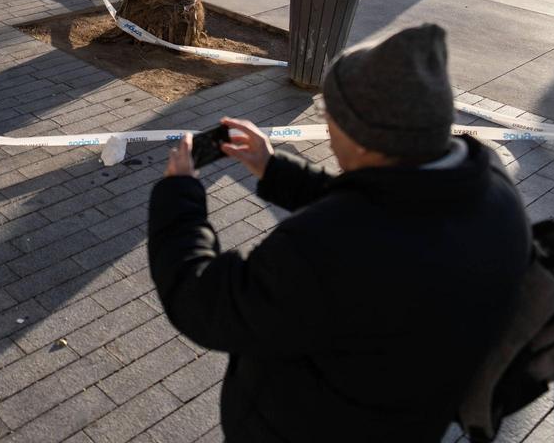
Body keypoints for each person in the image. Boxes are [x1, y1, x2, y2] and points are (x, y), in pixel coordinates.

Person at [148, 24, 531, 442]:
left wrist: (178, 196)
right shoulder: (492, 189)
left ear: (365, 139)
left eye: (329, 117)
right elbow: (387, 210)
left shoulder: (322, 249)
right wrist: (275, 170)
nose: (327, 131)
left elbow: (205, 304)